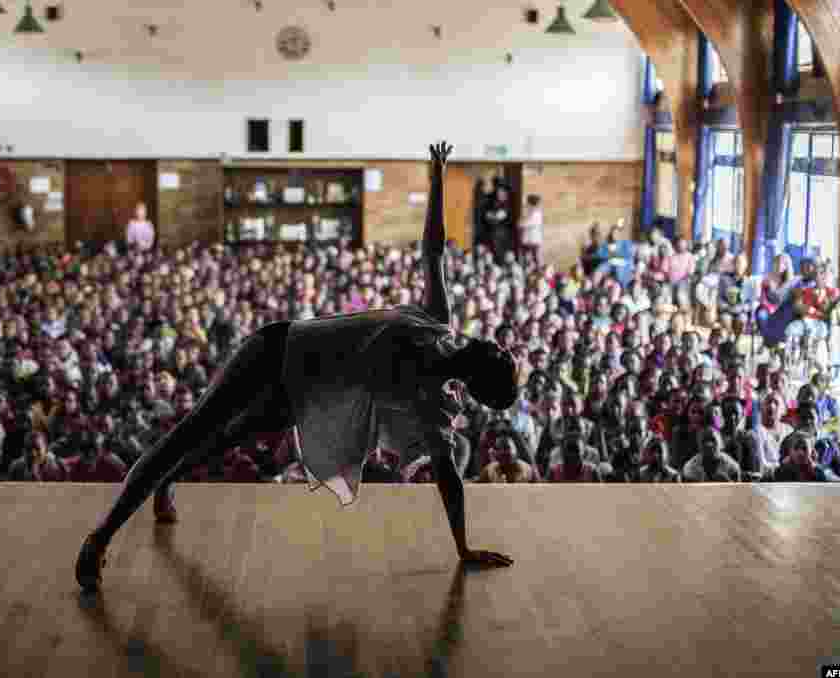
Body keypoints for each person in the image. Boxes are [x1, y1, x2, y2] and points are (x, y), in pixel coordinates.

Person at [76, 142, 519, 591]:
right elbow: (434, 251)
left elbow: (448, 478)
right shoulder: (438, 323)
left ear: (480, 377)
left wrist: (463, 546)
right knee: (193, 430)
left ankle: (165, 484)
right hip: (281, 349)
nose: (499, 347)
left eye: (500, 358)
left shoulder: (432, 400)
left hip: (301, 392)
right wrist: (437, 179)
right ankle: (101, 536)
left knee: (228, 434)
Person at [517, 195, 543, 269]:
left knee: (535, 259)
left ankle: (538, 273)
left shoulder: (536, 213)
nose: (526, 205)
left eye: (527, 204)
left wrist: (521, 222)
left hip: (533, 240)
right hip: (528, 240)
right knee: (526, 258)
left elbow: (522, 224)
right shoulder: (530, 212)